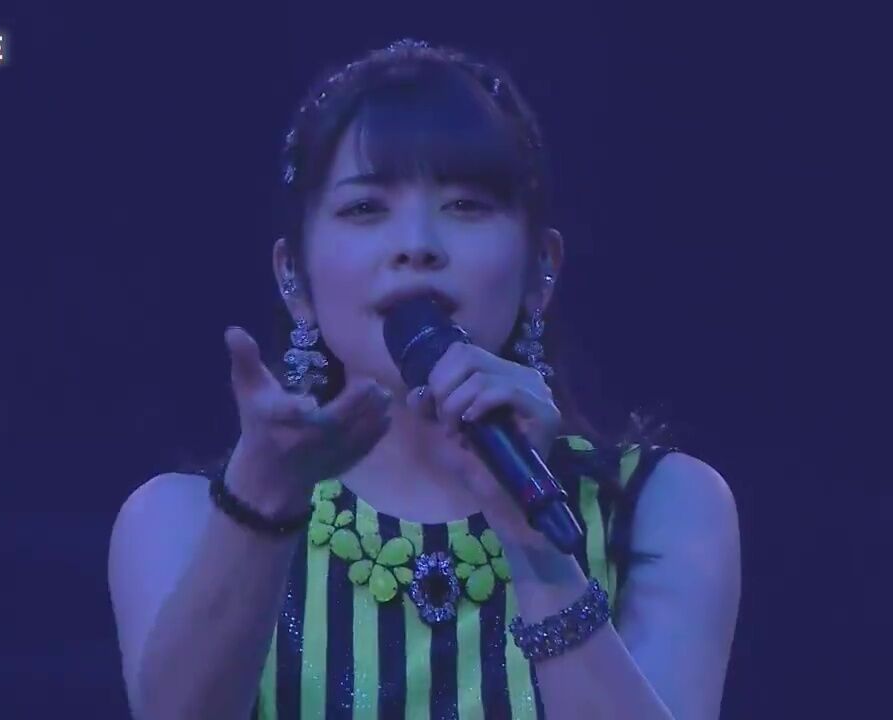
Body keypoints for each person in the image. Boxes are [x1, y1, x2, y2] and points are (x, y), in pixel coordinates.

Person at [107, 39, 740, 720]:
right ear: (295, 276)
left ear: (541, 269)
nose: (417, 245)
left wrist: (531, 537)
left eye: (466, 205)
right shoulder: (182, 521)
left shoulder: (664, 506)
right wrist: (262, 504)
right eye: (365, 208)